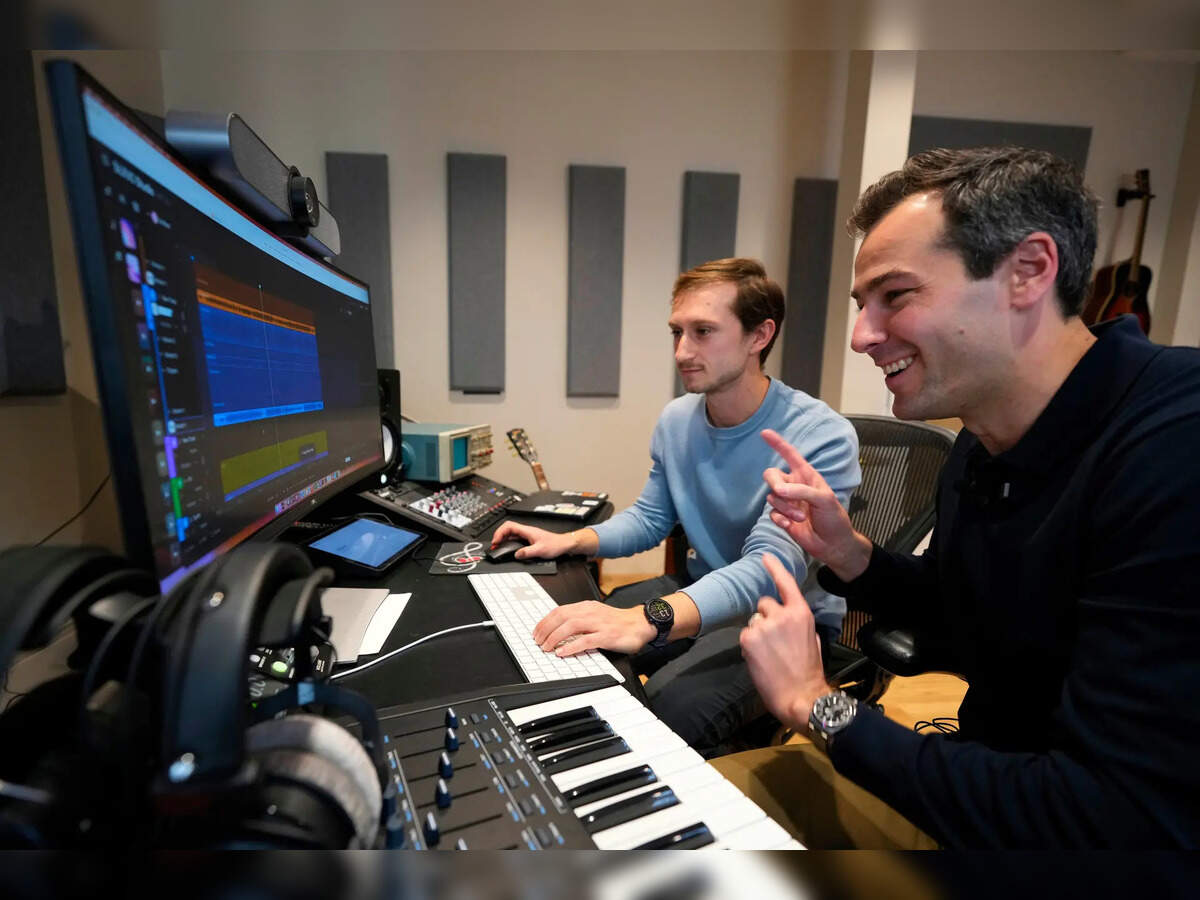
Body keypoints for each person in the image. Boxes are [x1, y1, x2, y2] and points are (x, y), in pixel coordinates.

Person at [717, 146, 1200, 848]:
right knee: (715, 794)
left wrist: (820, 707)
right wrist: (852, 556)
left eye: (895, 296)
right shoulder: (981, 436)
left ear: (1028, 270)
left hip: (1073, 853)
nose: (861, 337)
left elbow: (1107, 818)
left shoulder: (1176, 447)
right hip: (985, 792)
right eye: (862, 305)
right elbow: (968, 618)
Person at [490, 258, 860, 755]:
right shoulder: (677, 419)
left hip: (784, 619)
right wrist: (570, 540)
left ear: (759, 336)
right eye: (677, 332)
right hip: (699, 586)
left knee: (660, 715)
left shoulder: (820, 435)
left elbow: (767, 569)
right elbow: (650, 519)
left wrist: (650, 619)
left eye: (703, 331)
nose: (683, 351)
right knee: (561, 637)